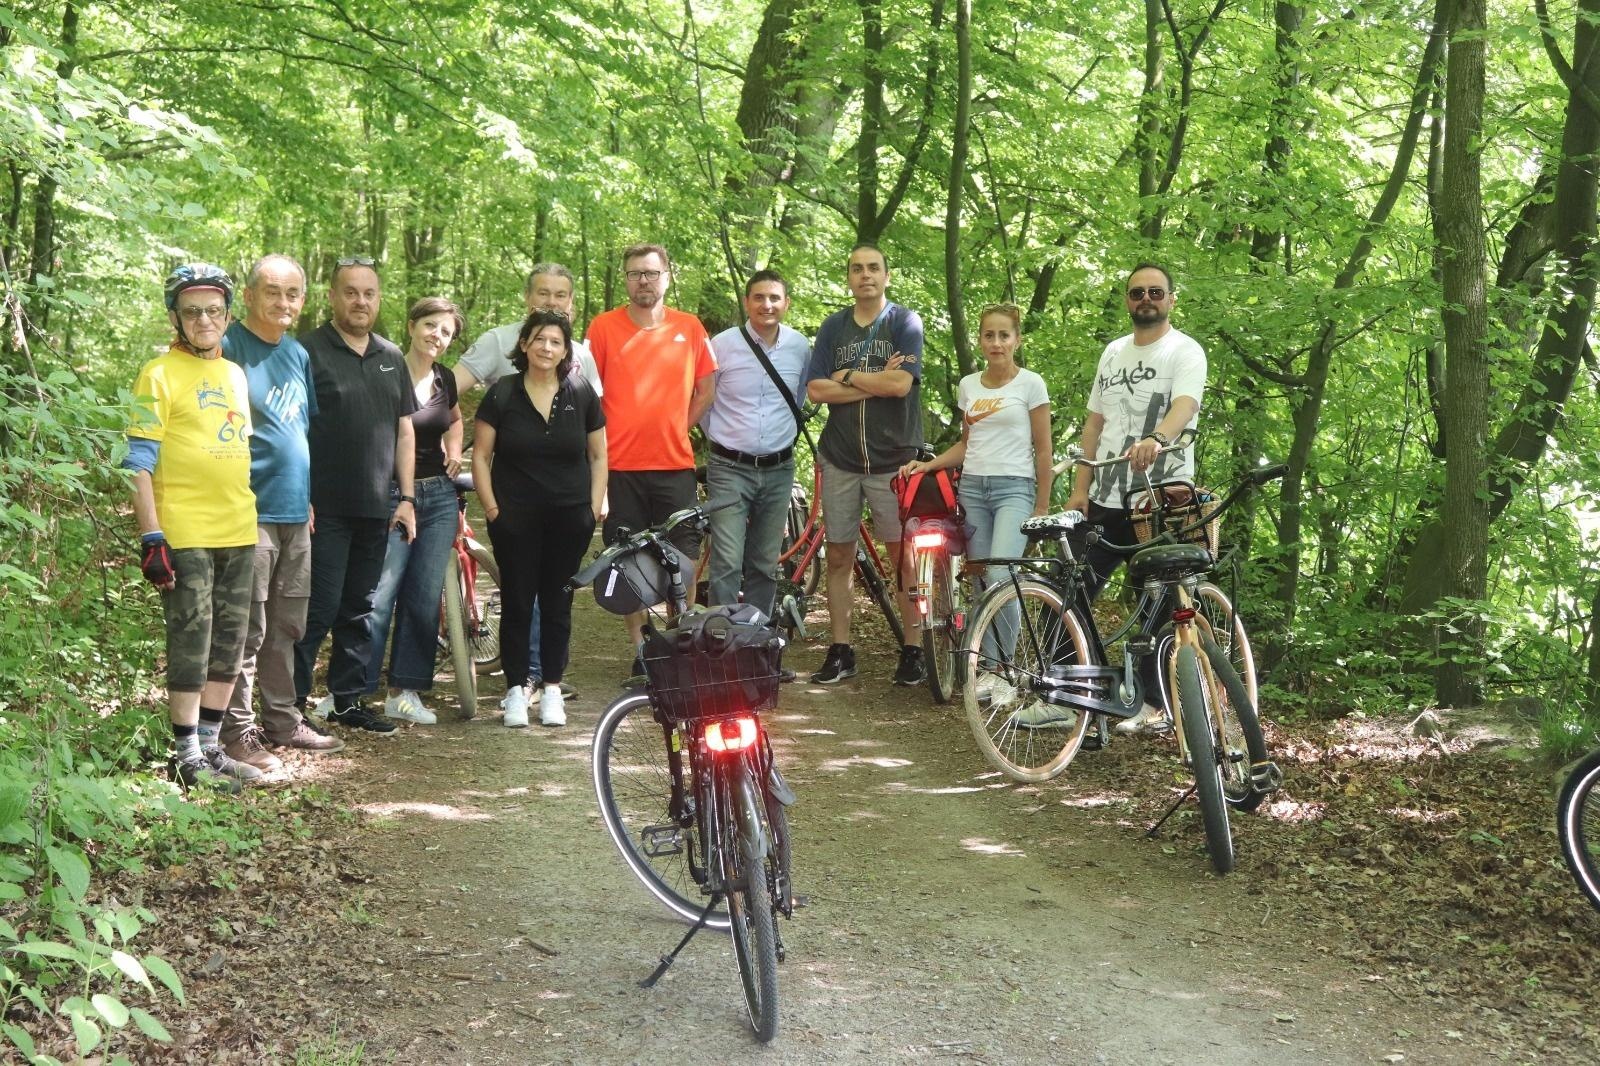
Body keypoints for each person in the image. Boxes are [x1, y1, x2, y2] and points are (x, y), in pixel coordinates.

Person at [124, 264, 260, 792]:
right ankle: (184, 754)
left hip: (239, 525)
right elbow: (138, 460)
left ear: (228, 314)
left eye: (213, 309)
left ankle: (210, 745)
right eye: (192, 310)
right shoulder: (158, 374)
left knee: (231, 640)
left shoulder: (234, 374)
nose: (205, 319)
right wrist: (151, 535)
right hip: (185, 529)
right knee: (191, 638)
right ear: (176, 318)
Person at [1064, 262, 1205, 734]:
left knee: (1161, 600)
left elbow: (1185, 405)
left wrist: (1158, 439)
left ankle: (1151, 703)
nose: (1146, 299)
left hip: (1160, 496)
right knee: (1072, 586)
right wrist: (1080, 487)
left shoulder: (1184, 350)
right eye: (1136, 292)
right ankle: (1074, 692)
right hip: (1105, 494)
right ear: (1127, 299)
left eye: (1155, 292)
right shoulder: (1112, 353)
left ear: (1171, 299)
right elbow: (1094, 424)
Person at [221, 255, 345, 767]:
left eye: (293, 293)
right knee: (245, 627)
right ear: (249, 296)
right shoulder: (226, 346)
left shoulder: (296, 353)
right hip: (246, 509)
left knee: (288, 626)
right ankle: (235, 731)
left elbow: (297, 431)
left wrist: (309, 497)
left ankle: (281, 719)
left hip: (297, 512)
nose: (283, 301)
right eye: (272, 291)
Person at [453, 263, 598, 699]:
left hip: (566, 498)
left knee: (555, 594)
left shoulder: (582, 357)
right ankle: (523, 678)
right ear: (527, 297)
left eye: (560, 295)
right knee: (519, 592)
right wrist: (440, 441)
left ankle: (543, 676)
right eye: (543, 293)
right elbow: (447, 390)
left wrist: (595, 500)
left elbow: (595, 433)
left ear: (570, 304)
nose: (551, 302)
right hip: (514, 493)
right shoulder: (497, 342)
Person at [899, 303, 1052, 697]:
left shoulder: (1031, 385)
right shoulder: (970, 385)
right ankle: (991, 668)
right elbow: (967, 445)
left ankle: (1009, 671)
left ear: (1016, 339)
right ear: (980, 339)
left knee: (1003, 577)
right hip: (974, 490)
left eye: (1004, 335)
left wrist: (1041, 507)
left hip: (1014, 489)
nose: (997, 342)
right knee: (983, 581)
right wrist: (925, 466)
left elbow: (1044, 450)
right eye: (989, 335)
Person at [294, 256, 418, 735]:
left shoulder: (391, 355)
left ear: (378, 299)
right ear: (332, 296)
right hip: (322, 509)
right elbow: (294, 429)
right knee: (317, 609)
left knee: (361, 608)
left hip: (376, 507)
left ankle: (347, 700)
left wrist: (405, 497)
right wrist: (298, 493)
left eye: (368, 293)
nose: (360, 301)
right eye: (350, 292)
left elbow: (403, 431)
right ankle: (291, 708)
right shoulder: (308, 352)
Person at [472, 309, 606, 727]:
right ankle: (515, 691)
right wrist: (492, 509)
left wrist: (591, 508)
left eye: (556, 342)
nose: (547, 348)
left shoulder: (581, 392)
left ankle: (551, 689)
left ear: (566, 350)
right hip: (514, 518)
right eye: (539, 340)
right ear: (525, 344)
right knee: (517, 601)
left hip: (570, 519)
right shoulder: (503, 393)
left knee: (557, 603)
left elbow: (599, 454)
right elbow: (480, 455)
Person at [587, 243, 716, 677]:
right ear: (625, 279)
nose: (643, 280)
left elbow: (706, 389)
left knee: (685, 556)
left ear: (666, 276)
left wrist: (679, 426)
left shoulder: (690, 327)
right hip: (620, 467)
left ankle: (681, 641)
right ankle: (643, 650)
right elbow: (590, 395)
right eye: (635, 273)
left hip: (674, 464)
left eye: (651, 273)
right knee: (626, 559)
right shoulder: (603, 328)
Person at [804, 243, 926, 686]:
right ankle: (840, 649)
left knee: (903, 560)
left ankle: (913, 649)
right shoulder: (833, 328)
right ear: (849, 277)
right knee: (838, 554)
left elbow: (900, 385)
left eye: (874, 267)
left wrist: (850, 378)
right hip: (840, 458)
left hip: (893, 461)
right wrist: (873, 382)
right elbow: (817, 390)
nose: (865, 275)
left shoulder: (904, 323)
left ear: (886, 276)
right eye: (857, 268)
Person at [361, 298, 466, 724]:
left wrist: (454, 451)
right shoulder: (386, 371)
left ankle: (404, 692)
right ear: (411, 326)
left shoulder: (445, 379)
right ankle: (353, 689)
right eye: (430, 325)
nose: (436, 336)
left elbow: (455, 420)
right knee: (380, 595)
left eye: (445, 332)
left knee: (423, 597)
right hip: (390, 496)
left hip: (439, 497)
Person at [702, 269, 809, 622]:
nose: (767, 304)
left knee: (765, 562)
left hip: (779, 469)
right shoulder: (721, 345)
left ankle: (756, 638)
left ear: (787, 304)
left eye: (774, 298)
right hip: (729, 468)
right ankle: (720, 640)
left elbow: (801, 397)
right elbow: (704, 400)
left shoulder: (799, 347)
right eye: (759, 297)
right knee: (727, 561)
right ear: (747, 302)